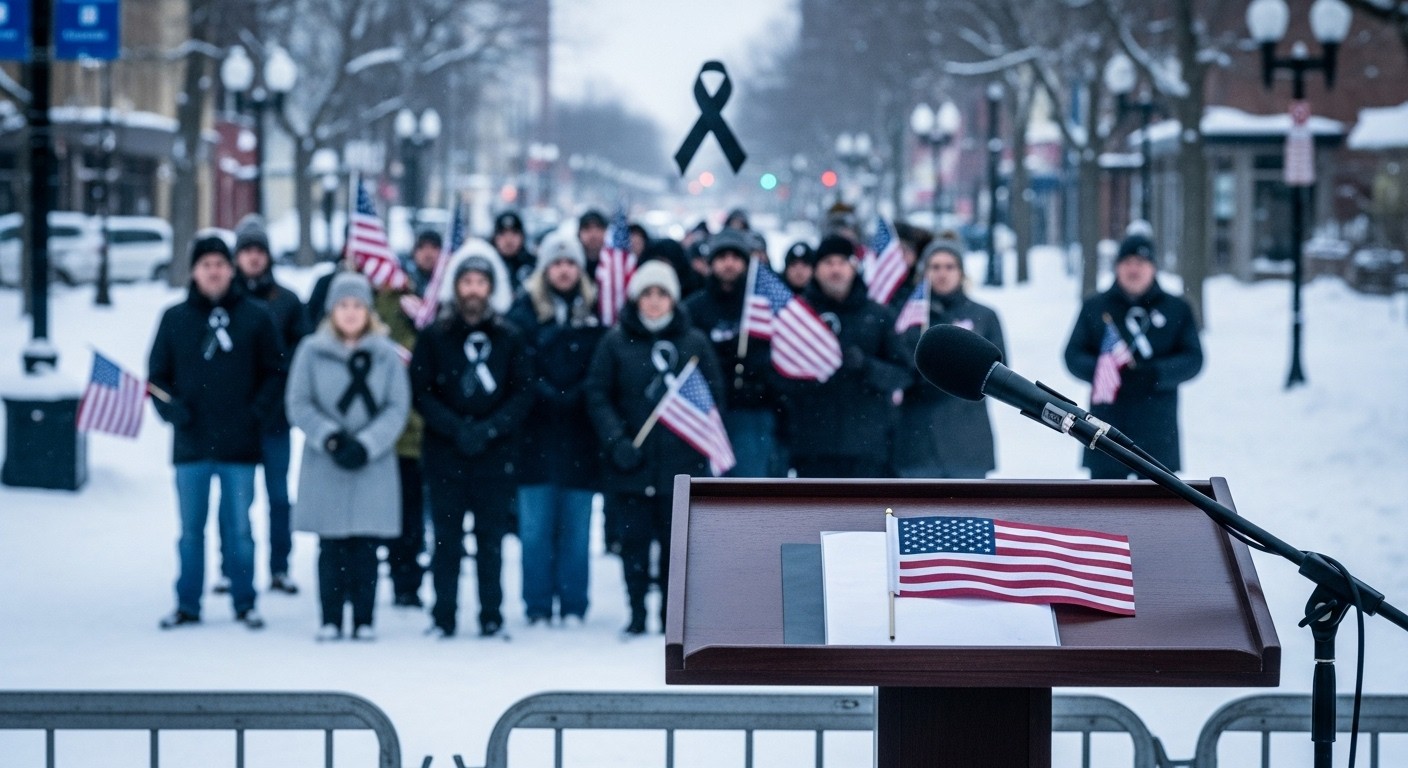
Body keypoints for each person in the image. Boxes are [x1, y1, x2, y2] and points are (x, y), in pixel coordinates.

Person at [148, 233, 284, 630]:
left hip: (239, 445)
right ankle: (187, 602)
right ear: (194, 271)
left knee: (239, 528)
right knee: (191, 531)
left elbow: (276, 373)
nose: (214, 272)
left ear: (232, 270)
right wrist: (172, 410)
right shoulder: (174, 319)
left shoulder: (257, 317)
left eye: (221, 265)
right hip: (192, 445)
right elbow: (157, 377)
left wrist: (255, 414)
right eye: (206, 265)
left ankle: (245, 600)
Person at [585, 261, 724, 635]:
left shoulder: (694, 342)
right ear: (636, 299)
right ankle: (636, 613)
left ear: (673, 299)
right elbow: (598, 395)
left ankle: (670, 616)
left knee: (675, 548)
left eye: (661, 294)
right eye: (647, 294)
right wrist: (617, 441)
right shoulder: (615, 341)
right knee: (633, 544)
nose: (654, 301)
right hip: (632, 463)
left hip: (681, 465)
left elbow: (714, 399)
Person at [411, 255, 533, 638]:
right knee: (445, 541)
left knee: (490, 542)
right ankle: (443, 614)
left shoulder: (510, 337)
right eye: (467, 283)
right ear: (456, 288)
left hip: (494, 457)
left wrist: (490, 429)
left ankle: (491, 614)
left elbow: (522, 392)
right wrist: (454, 427)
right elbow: (421, 390)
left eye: (481, 283)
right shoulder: (434, 337)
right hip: (445, 453)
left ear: (491, 289)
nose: (474, 290)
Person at [286, 273, 411, 641]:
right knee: (332, 545)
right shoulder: (310, 351)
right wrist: (331, 438)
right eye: (343, 305)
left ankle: (364, 617)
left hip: (372, 462)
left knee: (365, 546)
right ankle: (330, 616)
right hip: (327, 460)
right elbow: (298, 402)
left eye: (358, 305)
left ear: (368, 311)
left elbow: (396, 407)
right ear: (332, 311)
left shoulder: (386, 354)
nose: (351, 312)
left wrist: (368, 443)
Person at [505, 233, 606, 627]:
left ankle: (575, 604)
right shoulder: (523, 313)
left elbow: (601, 367)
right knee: (535, 531)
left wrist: (579, 392)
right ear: (545, 268)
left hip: (580, 437)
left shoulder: (596, 311)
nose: (564, 270)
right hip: (535, 436)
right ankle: (537, 604)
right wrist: (545, 391)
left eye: (570, 263)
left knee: (577, 532)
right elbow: (518, 367)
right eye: (557, 263)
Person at [1063, 234, 1204, 479]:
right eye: (1127, 262)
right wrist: (1105, 372)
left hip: (1158, 427)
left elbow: (1193, 358)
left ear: (1153, 268)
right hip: (1105, 426)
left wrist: (1156, 375)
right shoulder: (1095, 306)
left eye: (1141, 263)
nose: (1133, 269)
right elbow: (1072, 355)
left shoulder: (1177, 308)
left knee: (1156, 512)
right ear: (1117, 267)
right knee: (1106, 510)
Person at [779, 235, 911, 479]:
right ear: (816, 269)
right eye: (828, 262)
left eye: (842, 262)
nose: (835, 269)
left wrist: (866, 366)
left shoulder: (878, 315)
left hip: (868, 448)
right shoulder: (797, 315)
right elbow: (777, 374)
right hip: (813, 447)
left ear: (854, 267)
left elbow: (903, 374)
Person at [229, 214, 305, 596]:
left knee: (277, 496)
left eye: (260, 251)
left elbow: (299, 357)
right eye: (247, 251)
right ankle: (233, 569)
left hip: (275, 419)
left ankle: (280, 566)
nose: (254, 258)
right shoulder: (227, 300)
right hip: (236, 421)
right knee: (236, 500)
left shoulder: (288, 302)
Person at [894, 235, 1006, 479]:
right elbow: (896, 365)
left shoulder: (984, 316)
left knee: (967, 515)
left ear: (961, 271)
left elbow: (1000, 372)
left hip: (966, 440)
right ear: (924, 271)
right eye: (934, 267)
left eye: (949, 266)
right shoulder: (909, 317)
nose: (942, 273)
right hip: (917, 440)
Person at [683, 228, 781, 477]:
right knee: (707, 499)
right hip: (705, 414)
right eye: (722, 257)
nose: (729, 264)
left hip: (752, 412)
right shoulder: (693, 308)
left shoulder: (762, 305)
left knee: (749, 496)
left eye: (736, 257)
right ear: (711, 263)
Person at [492, 211, 535, 294]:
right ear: (495, 238)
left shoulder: (533, 265)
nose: (509, 240)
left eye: (514, 233)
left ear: (522, 236)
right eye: (503, 234)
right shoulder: (489, 265)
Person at [577, 209, 608, 277]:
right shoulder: (572, 263)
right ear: (579, 233)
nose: (593, 235)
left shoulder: (615, 263)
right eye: (587, 228)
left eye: (598, 228)